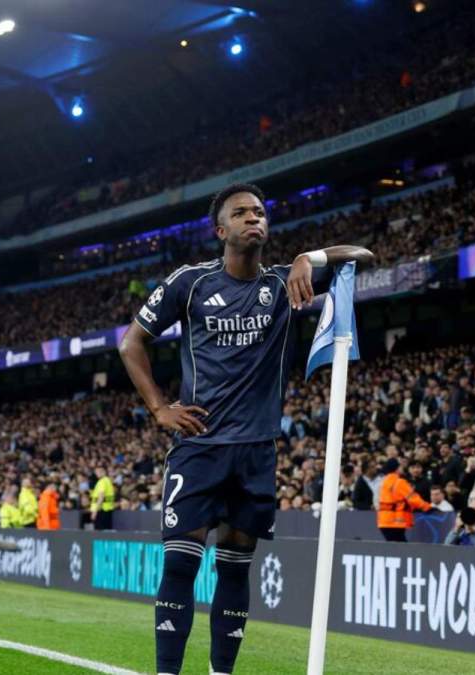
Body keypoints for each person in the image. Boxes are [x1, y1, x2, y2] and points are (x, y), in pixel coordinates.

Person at [118, 182, 375, 675]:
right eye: (241, 214)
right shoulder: (189, 283)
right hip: (200, 446)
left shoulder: (284, 283)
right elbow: (132, 344)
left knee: (235, 570)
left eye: (259, 212)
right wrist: (158, 409)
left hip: (256, 453)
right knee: (180, 565)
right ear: (222, 230)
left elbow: (362, 255)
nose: (254, 218)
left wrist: (310, 255)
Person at [376, 458, 433, 541]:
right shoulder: (399, 482)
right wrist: (427, 507)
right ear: (396, 468)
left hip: (384, 521)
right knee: (401, 550)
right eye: (400, 466)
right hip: (395, 522)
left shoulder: (384, 482)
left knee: (394, 549)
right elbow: (413, 499)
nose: (402, 468)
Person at [90, 466, 116, 531]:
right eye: (96, 472)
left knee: (99, 532)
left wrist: (95, 511)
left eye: (99, 471)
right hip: (107, 509)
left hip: (101, 510)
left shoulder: (102, 482)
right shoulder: (108, 481)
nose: (97, 473)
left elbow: (101, 497)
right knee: (106, 532)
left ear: (104, 472)